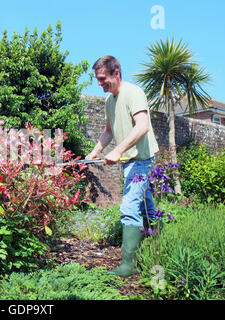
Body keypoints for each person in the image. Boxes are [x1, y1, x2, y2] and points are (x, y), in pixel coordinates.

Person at [86, 55, 159, 277]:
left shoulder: (134, 93)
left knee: (129, 207)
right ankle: (156, 238)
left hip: (142, 160)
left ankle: (129, 265)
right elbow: (109, 131)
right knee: (145, 204)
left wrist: (118, 150)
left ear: (116, 73)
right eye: (97, 79)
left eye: (102, 78)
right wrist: (95, 152)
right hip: (129, 161)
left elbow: (143, 126)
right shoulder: (110, 101)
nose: (99, 84)